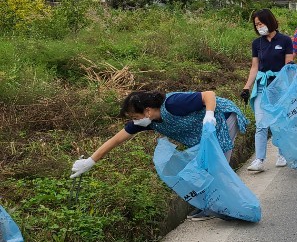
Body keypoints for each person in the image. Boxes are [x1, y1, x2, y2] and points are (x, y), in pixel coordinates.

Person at [70, 89, 249, 220]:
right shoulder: (146, 122)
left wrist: (209, 115)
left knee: (216, 166)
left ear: (147, 110)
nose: (134, 121)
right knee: (203, 166)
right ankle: (214, 206)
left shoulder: (173, 103)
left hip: (222, 119)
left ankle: (230, 206)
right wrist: (91, 161)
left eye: (134, 116)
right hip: (204, 132)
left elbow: (208, 94)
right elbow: (116, 140)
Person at [241, 9, 294, 172]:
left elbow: (288, 66)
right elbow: (255, 67)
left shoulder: (285, 41)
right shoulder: (257, 43)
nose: (259, 27)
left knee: (279, 122)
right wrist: (246, 87)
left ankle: (282, 154)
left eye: (261, 23)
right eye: (256, 25)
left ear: (269, 22)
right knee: (261, 124)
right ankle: (259, 159)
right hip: (262, 86)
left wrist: (288, 85)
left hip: (279, 86)